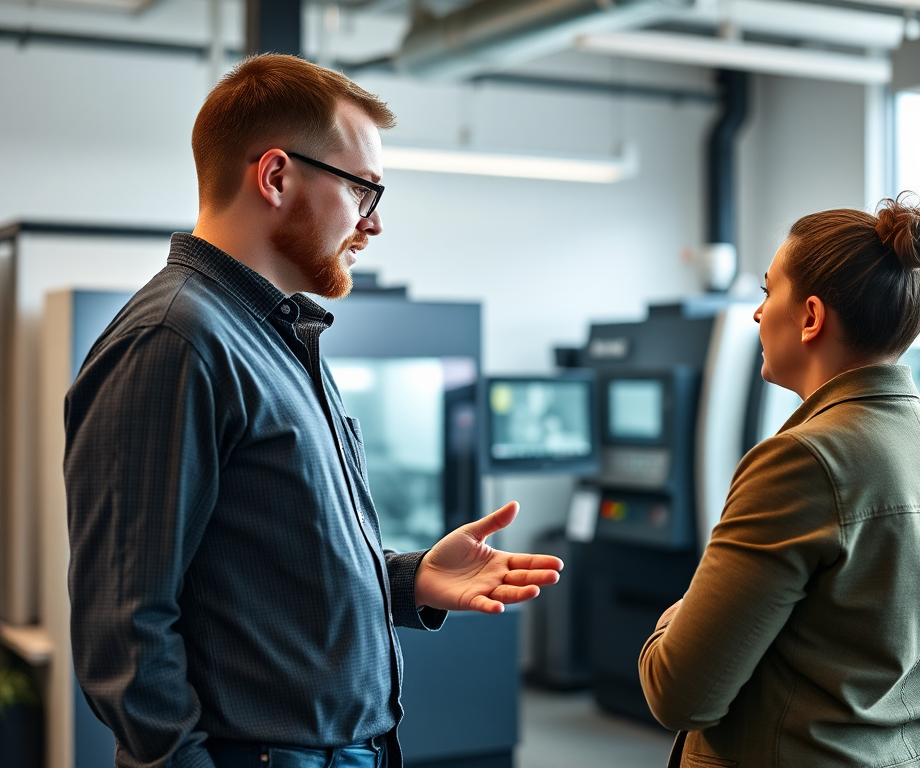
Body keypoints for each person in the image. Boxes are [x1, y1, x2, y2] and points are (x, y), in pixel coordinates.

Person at [63, 54, 562, 768]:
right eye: (365, 190)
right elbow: (125, 625)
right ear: (275, 176)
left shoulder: (276, 333)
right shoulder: (173, 340)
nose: (375, 223)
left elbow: (262, 566)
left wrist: (406, 577)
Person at [638, 195, 920, 767]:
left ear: (810, 316)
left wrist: (675, 619)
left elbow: (681, 694)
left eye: (766, 292)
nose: (757, 315)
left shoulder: (800, 461)